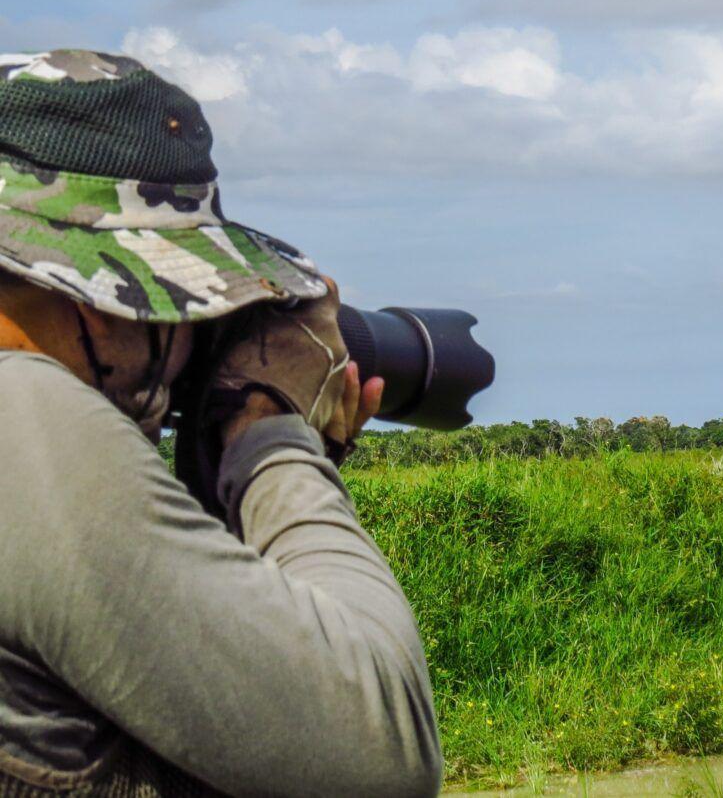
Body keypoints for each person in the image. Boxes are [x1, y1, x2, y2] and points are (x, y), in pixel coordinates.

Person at [0, 51, 442, 796]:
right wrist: (269, 434)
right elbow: (379, 757)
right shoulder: (23, 414)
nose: (181, 339)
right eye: (168, 306)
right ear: (81, 297)